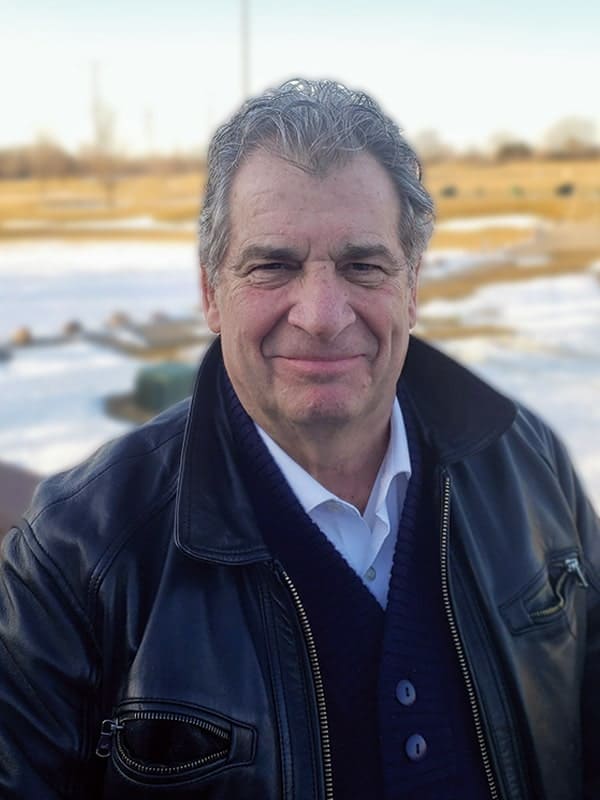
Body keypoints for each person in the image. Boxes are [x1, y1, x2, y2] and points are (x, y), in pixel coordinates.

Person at [0, 79, 598, 800]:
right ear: (211, 292)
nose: (320, 313)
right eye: (273, 265)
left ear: (411, 284)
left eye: (362, 265)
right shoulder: (79, 556)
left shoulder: (528, 468)